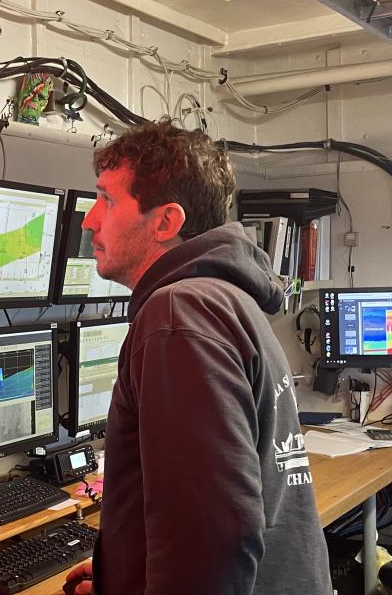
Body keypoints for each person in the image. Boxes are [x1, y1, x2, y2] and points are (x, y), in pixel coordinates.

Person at [64, 120, 331, 594]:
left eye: (106, 199)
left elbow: (215, 534)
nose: (89, 220)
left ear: (166, 221)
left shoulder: (178, 316)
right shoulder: (224, 298)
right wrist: (123, 571)